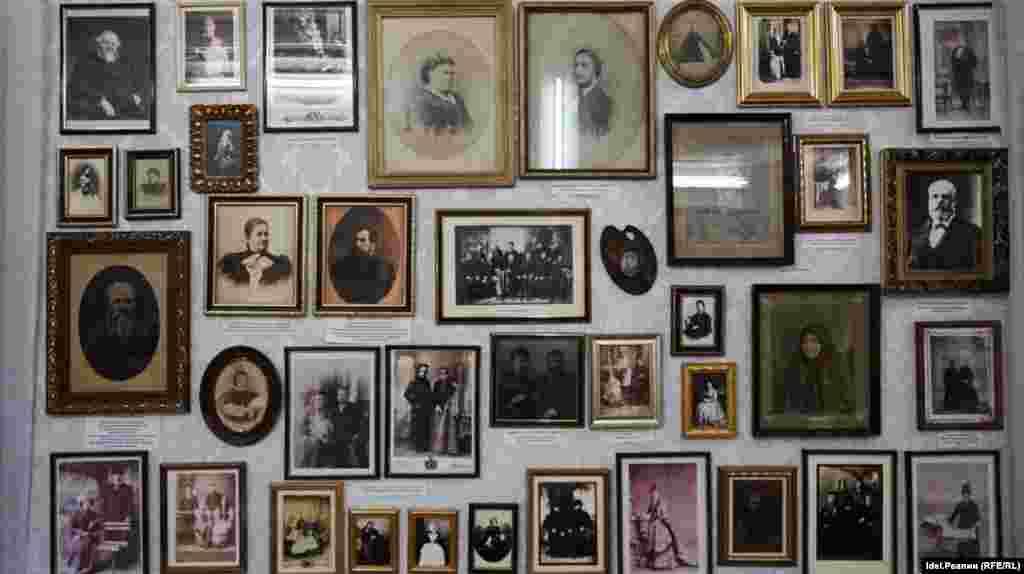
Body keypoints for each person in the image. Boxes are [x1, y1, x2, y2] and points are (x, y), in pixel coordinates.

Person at [82, 279, 158, 381]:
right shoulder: (96, 337)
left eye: (128, 301)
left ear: (135, 305)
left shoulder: (149, 335)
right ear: (109, 305)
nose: (123, 307)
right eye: (117, 301)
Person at [68, 29, 148, 120]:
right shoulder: (85, 62)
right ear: (98, 44)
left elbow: (139, 84)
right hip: (95, 109)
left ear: (118, 45)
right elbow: (76, 87)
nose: (110, 46)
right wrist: (100, 100)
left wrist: (138, 95)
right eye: (106, 43)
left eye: (113, 44)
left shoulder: (125, 63)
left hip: (125, 109)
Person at [908, 179, 981, 270]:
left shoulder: (972, 233)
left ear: (954, 202)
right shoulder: (915, 235)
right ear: (929, 202)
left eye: (945, 197)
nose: (939, 201)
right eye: (934, 196)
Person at [782, 324, 853, 415]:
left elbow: (847, 401)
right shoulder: (795, 366)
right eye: (804, 342)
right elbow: (790, 404)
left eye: (814, 341)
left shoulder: (836, 364)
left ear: (823, 342)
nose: (808, 346)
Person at [218, 217, 293, 288]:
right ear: (247, 238)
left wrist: (272, 268)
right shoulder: (231, 262)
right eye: (259, 234)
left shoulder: (280, 263)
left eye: (266, 234)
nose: (264, 238)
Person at [331, 225, 396, 304]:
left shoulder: (387, 268)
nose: (357, 244)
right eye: (356, 240)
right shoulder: (340, 267)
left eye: (362, 240)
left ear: (372, 244)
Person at [409, 54, 473, 133]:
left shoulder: (457, 98)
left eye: (452, 74)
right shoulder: (422, 101)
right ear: (430, 74)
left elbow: (469, 127)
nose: (450, 78)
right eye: (445, 73)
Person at [644, 484, 691, 568]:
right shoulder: (653, 498)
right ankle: (655, 562)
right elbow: (650, 510)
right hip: (655, 522)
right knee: (654, 535)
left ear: (655, 491)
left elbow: (661, 514)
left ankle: (666, 562)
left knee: (665, 537)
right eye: (651, 494)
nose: (652, 496)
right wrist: (649, 515)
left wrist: (658, 517)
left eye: (653, 493)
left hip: (661, 522)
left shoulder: (660, 500)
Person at [572, 48, 612, 138]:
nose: (578, 70)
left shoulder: (603, 102)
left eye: (584, 65)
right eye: (576, 65)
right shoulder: (575, 99)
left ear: (595, 69)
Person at [535, 349, 577, 420]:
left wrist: (557, 411)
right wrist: (544, 415)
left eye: (557, 361)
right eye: (552, 362)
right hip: (544, 418)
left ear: (562, 363)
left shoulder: (571, 380)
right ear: (547, 363)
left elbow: (572, 403)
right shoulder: (540, 380)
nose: (555, 364)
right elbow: (537, 403)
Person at [65, 495, 102, 574]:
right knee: (77, 544)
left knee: (87, 544)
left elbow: (99, 530)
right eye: (85, 503)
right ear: (81, 504)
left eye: (89, 503)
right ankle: (74, 565)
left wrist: (90, 534)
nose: (87, 505)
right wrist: (79, 533)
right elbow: (70, 527)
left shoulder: (95, 515)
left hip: (91, 538)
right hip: (78, 537)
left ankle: (86, 567)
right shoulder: (76, 514)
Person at [404, 364, 436, 452]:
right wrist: (415, 403)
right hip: (417, 409)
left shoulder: (427, 382)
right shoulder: (413, 382)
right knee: (418, 428)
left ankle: (425, 447)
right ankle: (418, 447)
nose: (423, 373)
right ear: (418, 371)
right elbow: (406, 394)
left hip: (426, 409)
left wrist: (431, 405)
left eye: (425, 371)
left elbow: (430, 395)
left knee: (425, 428)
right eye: (421, 371)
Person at [948, 482, 981, 556]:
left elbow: (978, 520)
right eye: (964, 494)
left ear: (969, 494)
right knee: (961, 551)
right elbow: (952, 517)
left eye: (967, 494)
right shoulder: (959, 505)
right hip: (961, 531)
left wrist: (974, 529)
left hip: (970, 532)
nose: (966, 496)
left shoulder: (974, 505)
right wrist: (945, 522)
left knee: (972, 552)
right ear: (962, 494)